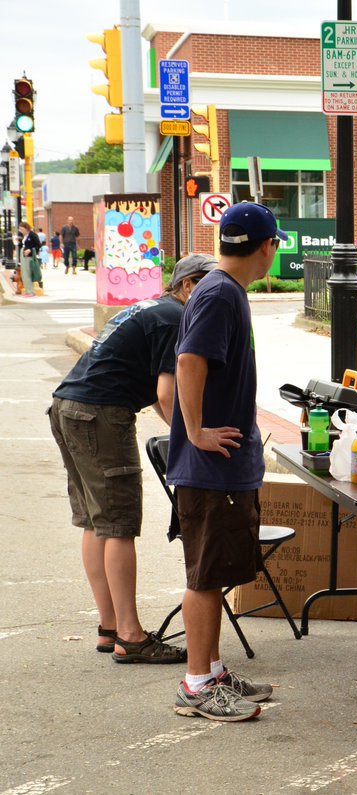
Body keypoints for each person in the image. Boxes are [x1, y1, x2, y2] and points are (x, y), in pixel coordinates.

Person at [49, 254, 218, 665]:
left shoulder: (150, 308)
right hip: (101, 414)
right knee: (119, 524)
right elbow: (166, 394)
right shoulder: (177, 319)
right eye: (210, 289)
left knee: (97, 522)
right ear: (189, 285)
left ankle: (110, 628)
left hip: (68, 406)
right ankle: (130, 635)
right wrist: (192, 438)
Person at [167, 202, 285, 721]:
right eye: (274, 245)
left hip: (225, 464)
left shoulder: (222, 290)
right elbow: (189, 360)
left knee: (216, 572)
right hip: (211, 467)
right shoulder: (220, 293)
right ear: (267, 246)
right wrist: (194, 431)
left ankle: (211, 671)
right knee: (206, 576)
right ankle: (197, 685)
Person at [18, 221, 41, 297]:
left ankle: (30, 291)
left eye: (22, 229)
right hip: (24, 254)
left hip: (29, 256)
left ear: (26, 228)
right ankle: (28, 291)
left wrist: (30, 250)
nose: (21, 231)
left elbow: (38, 245)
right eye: (20, 229)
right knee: (24, 274)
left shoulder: (32, 235)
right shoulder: (24, 236)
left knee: (27, 274)